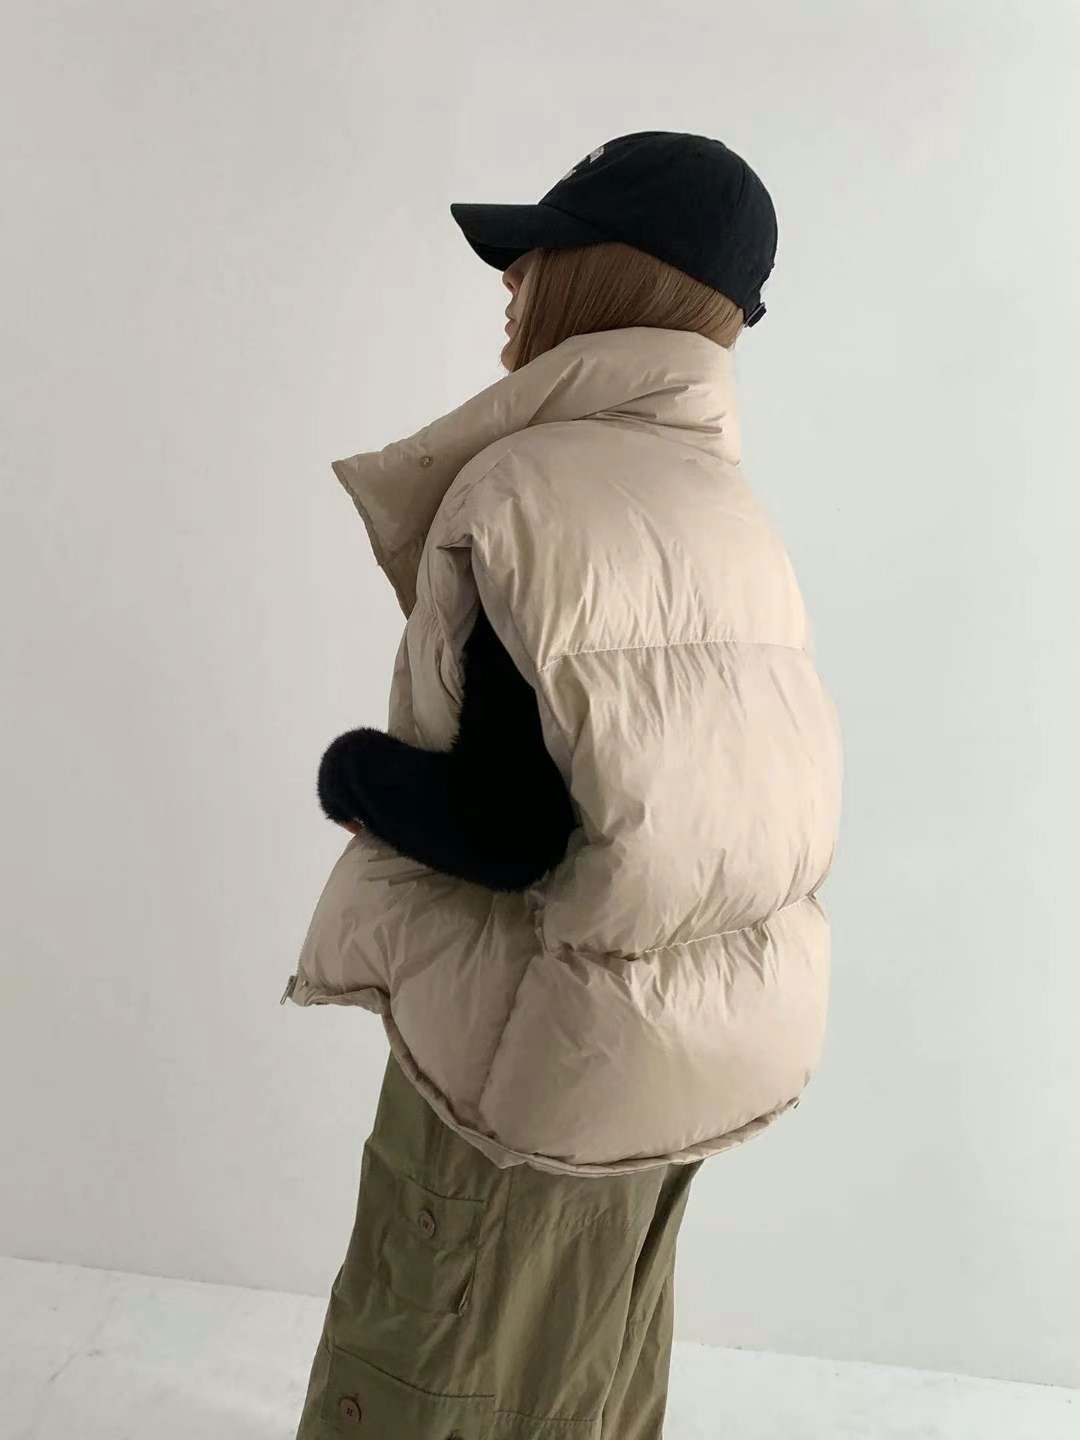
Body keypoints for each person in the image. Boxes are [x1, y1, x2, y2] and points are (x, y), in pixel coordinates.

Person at [288, 130, 843, 1439]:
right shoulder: (725, 509)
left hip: (528, 1065)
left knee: (420, 1372)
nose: (511, 280)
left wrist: (357, 773)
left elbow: (512, 827)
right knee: (581, 1388)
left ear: (607, 274)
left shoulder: (531, 488)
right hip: (682, 1058)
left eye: (536, 252)